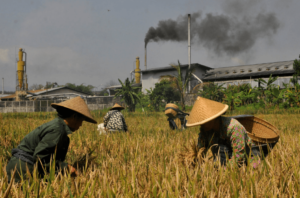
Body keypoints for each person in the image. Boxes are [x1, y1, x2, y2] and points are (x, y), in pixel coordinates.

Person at [6, 96, 97, 183]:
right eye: (81, 121)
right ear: (74, 117)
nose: (81, 125)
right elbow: (40, 157)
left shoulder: (58, 126)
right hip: (23, 169)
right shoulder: (57, 130)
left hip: (23, 166)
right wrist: (66, 167)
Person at [186, 97, 260, 167]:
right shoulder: (205, 130)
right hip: (225, 160)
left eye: (204, 121)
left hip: (248, 159)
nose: (201, 125)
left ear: (213, 118)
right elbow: (200, 151)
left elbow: (239, 158)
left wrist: (222, 171)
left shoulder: (234, 127)